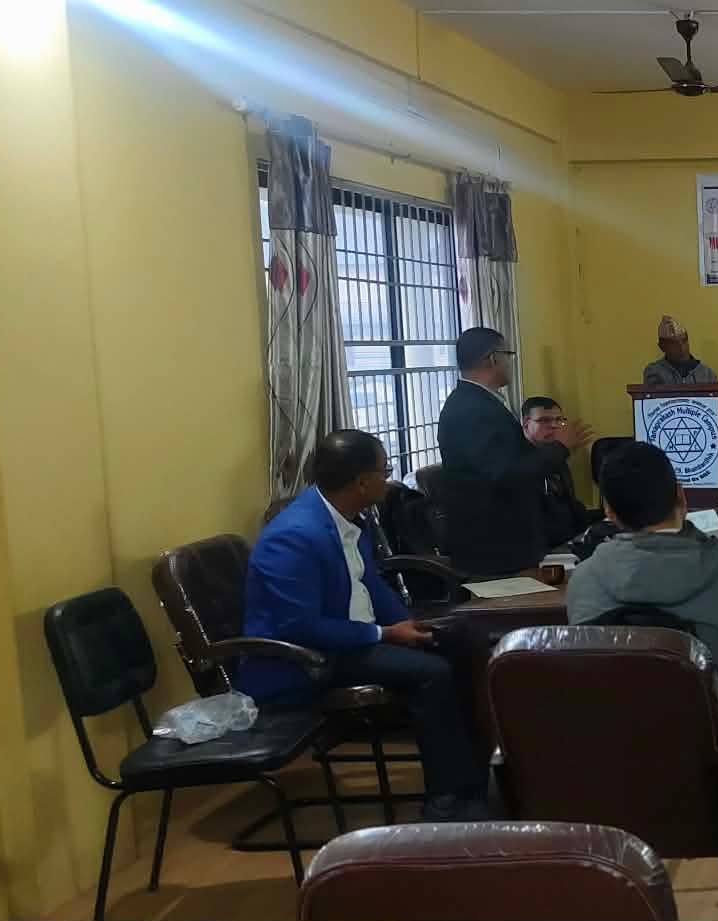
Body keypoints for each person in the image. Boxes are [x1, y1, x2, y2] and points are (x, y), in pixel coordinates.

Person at [240, 430, 491, 821]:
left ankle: (476, 778)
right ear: (361, 482)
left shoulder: (346, 518)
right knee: (432, 673)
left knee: (464, 644)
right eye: (384, 471)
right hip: (304, 659)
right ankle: (444, 799)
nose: (388, 480)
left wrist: (406, 623)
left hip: (350, 638)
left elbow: (367, 582)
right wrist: (386, 634)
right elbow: (299, 626)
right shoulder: (292, 537)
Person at [565, 441, 718, 712]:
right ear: (681, 495)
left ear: (609, 512)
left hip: (614, 732)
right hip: (713, 732)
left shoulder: (585, 578)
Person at [437, 327, 592, 574]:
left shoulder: (482, 402)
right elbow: (505, 473)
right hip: (493, 547)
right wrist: (560, 448)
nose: (511, 363)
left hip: (511, 540)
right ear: (493, 359)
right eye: (508, 355)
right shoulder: (472, 410)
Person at [520, 395, 597, 548]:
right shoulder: (522, 461)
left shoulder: (557, 457)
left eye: (559, 420)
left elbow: (569, 508)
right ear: (526, 423)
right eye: (545, 420)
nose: (554, 426)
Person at [642, 315, 718, 386]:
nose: (681, 347)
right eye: (673, 343)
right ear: (662, 347)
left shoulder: (707, 374)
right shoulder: (654, 372)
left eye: (684, 341)